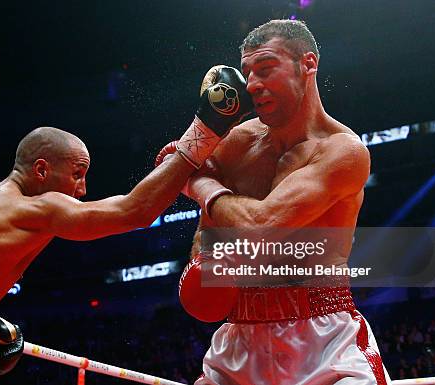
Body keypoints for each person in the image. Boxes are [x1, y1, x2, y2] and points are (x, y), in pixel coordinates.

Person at [0, 64, 252, 385]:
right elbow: (135, 212)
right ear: (41, 169)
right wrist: (206, 130)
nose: (82, 188)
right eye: (77, 173)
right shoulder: (34, 210)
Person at [163, 20, 391, 385]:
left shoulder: (343, 151)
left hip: (323, 344)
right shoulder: (237, 141)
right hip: (238, 341)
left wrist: (202, 185)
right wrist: (202, 258)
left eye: (266, 69)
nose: (253, 85)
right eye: (247, 73)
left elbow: (260, 226)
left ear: (308, 64)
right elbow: (197, 209)